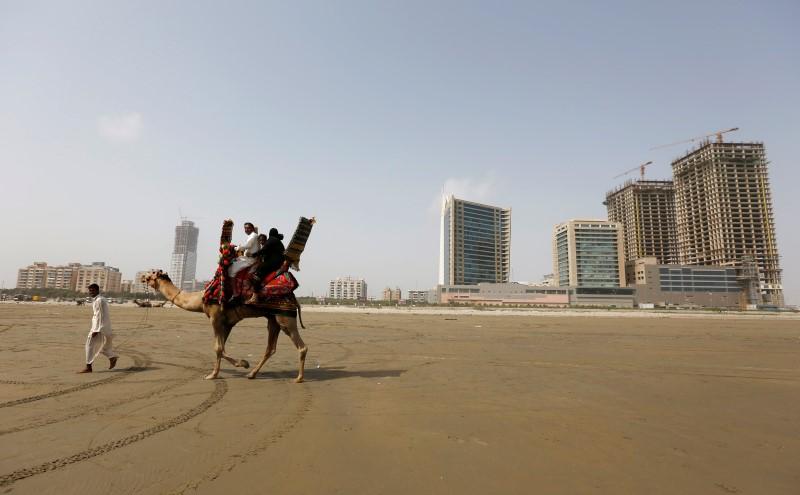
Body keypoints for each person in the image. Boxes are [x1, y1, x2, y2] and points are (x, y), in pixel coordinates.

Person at [78, 283, 118, 373]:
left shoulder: (99, 300)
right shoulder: (97, 300)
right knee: (102, 346)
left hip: (100, 328)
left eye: (92, 290)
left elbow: (100, 315)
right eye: (90, 290)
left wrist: (96, 330)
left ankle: (88, 367)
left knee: (89, 345)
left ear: (97, 290)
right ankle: (112, 357)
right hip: (102, 327)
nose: (91, 292)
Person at [246, 228, 286, 304]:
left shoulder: (271, 240)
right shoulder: (277, 241)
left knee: (257, 275)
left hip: (274, 263)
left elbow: (263, 251)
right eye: (260, 240)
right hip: (277, 262)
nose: (261, 242)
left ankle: (255, 297)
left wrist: (252, 255)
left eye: (262, 240)